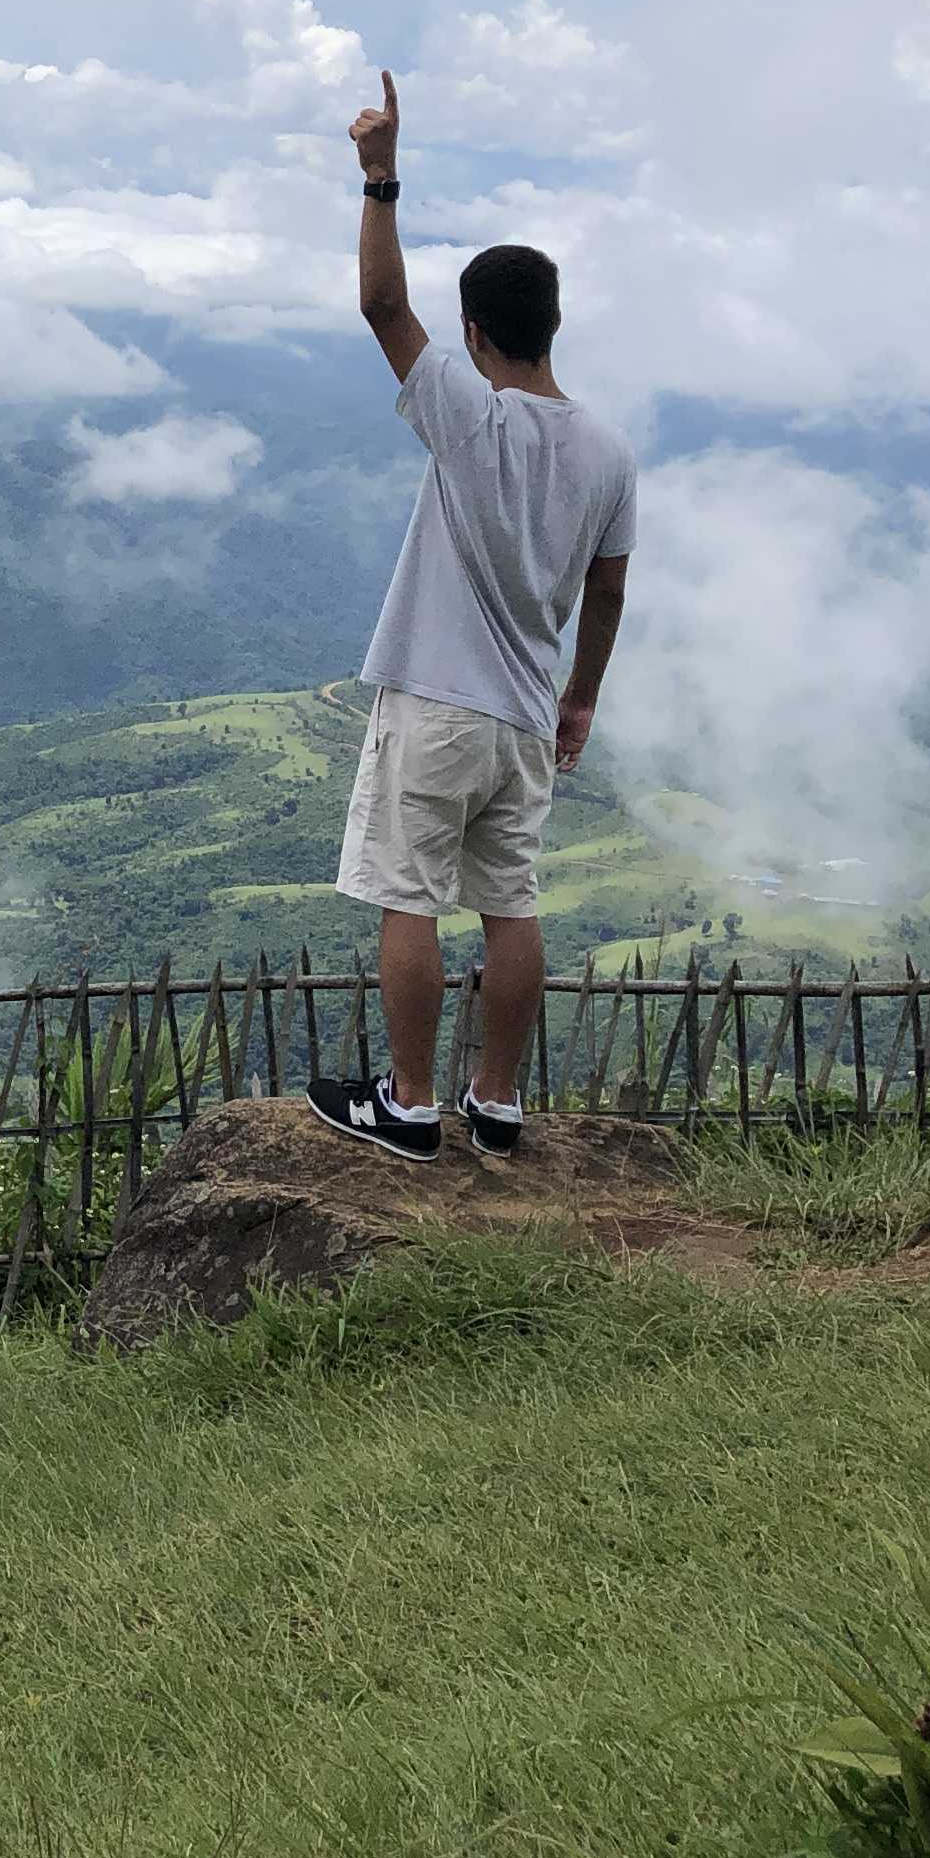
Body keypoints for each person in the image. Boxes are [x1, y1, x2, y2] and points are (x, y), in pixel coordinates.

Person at [305, 71, 636, 1162]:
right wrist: (579, 697)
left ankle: (408, 1104)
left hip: (438, 703)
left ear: (478, 333)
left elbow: (380, 309)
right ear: (550, 327)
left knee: (408, 895)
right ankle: (496, 1103)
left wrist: (380, 178)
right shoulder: (606, 450)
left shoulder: (469, 416)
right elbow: (607, 586)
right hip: (525, 716)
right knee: (511, 904)